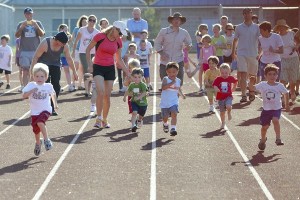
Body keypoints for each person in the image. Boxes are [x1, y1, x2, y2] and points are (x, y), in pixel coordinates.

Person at [86, 21, 130, 128]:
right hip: (98, 67)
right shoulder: (100, 36)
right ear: (114, 29)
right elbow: (88, 49)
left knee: (107, 96)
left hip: (110, 68)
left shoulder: (119, 41)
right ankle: (98, 118)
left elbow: (118, 59)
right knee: (100, 92)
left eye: (121, 34)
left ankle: (105, 119)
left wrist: (127, 72)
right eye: (120, 33)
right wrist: (90, 64)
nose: (120, 36)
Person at [30, 31, 78, 116]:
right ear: (57, 40)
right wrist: (32, 72)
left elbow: (69, 59)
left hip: (55, 64)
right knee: (45, 86)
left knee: (56, 85)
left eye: (65, 43)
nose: (63, 45)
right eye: (62, 43)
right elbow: (35, 57)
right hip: (43, 65)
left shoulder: (64, 46)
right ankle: (43, 107)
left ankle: (51, 107)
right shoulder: (46, 43)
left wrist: (74, 72)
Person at [248, 64, 290, 150]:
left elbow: (286, 93)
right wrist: (251, 81)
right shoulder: (263, 85)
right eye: (270, 74)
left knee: (275, 120)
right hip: (266, 110)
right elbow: (252, 88)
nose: (272, 76)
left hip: (276, 108)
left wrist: (287, 105)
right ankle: (263, 139)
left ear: (277, 76)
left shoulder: (280, 86)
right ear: (265, 76)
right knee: (264, 127)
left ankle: (278, 138)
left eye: (274, 74)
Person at [22, 63, 58, 156]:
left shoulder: (48, 86)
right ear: (33, 76)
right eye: (37, 76)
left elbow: (52, 94)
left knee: (40, 122)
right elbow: (23, 96)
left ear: (46, 77)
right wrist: (30, 91)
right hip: (35, 112)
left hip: (46, 110)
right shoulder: (31, 85)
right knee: (36, 130)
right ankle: (38, 142)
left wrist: (55, 104)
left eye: (42, 76)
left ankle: (46, 140)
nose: (39, 78)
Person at [154, 12, 192, 88]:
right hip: (165, 61)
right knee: (164, 81)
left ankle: (176, 97)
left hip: (178, 60)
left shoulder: (184, 32)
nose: (176, 21)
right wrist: (161, 53)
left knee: (179, 83)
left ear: (181, 22)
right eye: (175, 19)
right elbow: (157, 43)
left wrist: (188, 47)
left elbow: (189, 43)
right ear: (171, 21)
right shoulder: (164, 31)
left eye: (178, 19)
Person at [232, 8, 260, 103]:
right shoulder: (239, 27)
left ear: (252, 14)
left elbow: (261, 41)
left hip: (253, 54)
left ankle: (251, 91)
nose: (247, 15)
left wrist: (260, 53)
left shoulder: (257, 27)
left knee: (253, 75)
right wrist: (233, 53)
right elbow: (235, 40)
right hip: (241, 53)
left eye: (249, 13)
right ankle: (244, 95)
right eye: (245, 13)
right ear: (243, 15)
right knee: (243, 74)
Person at [15, 7, 45, 91]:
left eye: (30, 13)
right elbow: (17, 35)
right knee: (25, 70)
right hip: (24, 51)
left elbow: (42, 34)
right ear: (25, 15)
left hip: (36, 51)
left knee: (36, 71)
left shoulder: (38, 22)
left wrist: (36, 26)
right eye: (27, 14)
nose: (29, 15)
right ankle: (26, 88)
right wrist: (22, 27)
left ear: (32, 14)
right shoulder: (21, 24)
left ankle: (36, 87)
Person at [72, 15, 99, 96]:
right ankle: (87, 91)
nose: (92, 22)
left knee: (92, 70)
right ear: (88, 21)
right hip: (83, 52)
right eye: (90, 20)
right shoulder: (82, 30)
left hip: (93, 53)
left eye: (94, 21)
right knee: (86, 69)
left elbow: (98, 44)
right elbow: (76, 41)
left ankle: (89, 89)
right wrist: (73, 51)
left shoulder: (97, 32)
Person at [274, 19, 300, 102]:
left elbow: (298, 41)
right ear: (278, 28)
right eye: (280, 27)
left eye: (283, 27)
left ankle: (292, 92)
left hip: (293, 58)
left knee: (293, 78)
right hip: (282, 59)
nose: (281, 29)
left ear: (286, 27)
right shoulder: (276, 36)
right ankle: (284, 95)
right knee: (282, 78)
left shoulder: (292, 34)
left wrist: (297, 46)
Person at [160, 62, 186, 136]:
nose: (172, 74)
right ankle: (165, 124)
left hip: (174, 101)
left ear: (177, 71)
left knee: (174, 114)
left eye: (174, 72)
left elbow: (178, 89)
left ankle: (173, 128)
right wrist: (171, 83)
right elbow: (163, 88)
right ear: (167, 72)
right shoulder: (165, 79)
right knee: (165, 117)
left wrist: (182, 95)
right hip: (165, 102)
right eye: (169, 72)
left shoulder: (178, 80)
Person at [213, 63, 238, 129]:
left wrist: (234, 88)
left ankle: (229, 112)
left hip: (228, 96)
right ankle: (223, 122)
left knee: (228, 106)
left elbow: (235, 81)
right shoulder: (218, 79)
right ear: (220, 72)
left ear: (229, 72)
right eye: (222, 73)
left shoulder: (230, 78)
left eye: (226, 73)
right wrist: (216, 89)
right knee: (222, 113)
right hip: (221, 98)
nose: (224, 75)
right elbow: (214, 85)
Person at [123, 68, 148, 132]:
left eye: (139, 77)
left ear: (142, 77)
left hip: (143, 103)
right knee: (134, 112)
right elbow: (128, 91)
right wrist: (124, 97)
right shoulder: (132, 85)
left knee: (141, 115)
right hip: (134, 102)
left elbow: (145, 92)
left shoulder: (143, 85)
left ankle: (139, 120)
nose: (137, 79)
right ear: (132, 77)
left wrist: (139, 97)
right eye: (135, 77)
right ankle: (133, 125)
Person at [72, 15, 88, 90]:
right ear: (80, 22)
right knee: (76, 67)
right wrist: (73, 50)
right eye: (83, 21)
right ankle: (73, 84)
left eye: (86, 22)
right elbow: (73, 39)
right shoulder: (76, 29)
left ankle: (80, 84)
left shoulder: (88, 30)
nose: (85, 23)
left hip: (84, 51)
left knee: (82, 68)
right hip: (77, 50)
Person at [58, 24, 75, 92]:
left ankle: (70, 85)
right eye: (64, 30)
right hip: (58, 56)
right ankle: (57, 86)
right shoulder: (57, 37)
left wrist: (70, 39)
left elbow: (71, 45)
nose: (66, 31)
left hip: (65, 57)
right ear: (60, 29)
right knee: (58, 72)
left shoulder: (69, 37)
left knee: (67, 70)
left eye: (67, 30)